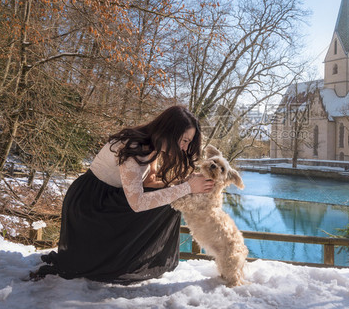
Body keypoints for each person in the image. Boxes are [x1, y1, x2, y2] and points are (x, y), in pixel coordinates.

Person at [30, 105, 213, 284]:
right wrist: (187, 188)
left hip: (111, 196)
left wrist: (183, 183)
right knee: (173, 198)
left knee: (173, 198)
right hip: (91, 203)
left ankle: (146, 258)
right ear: (169, 132)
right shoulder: (133, 147)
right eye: (184, 140)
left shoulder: (154, 144)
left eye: (188, 142)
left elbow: (149, 182)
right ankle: (128, 260)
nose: (184, 147)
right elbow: (137, 203)